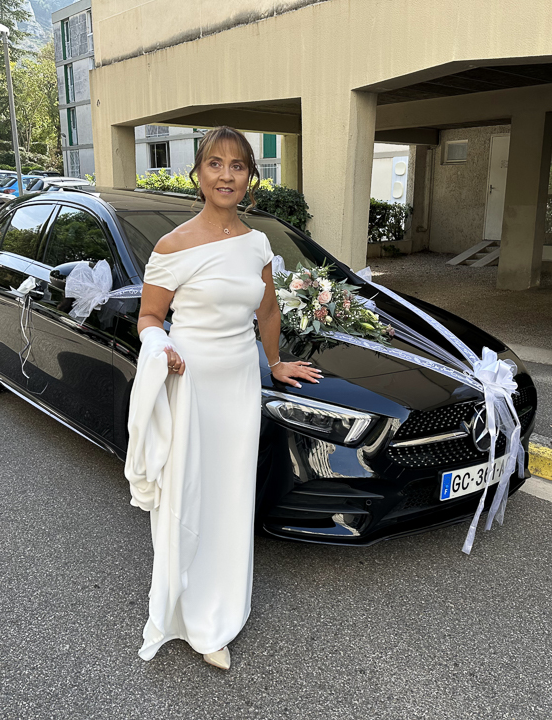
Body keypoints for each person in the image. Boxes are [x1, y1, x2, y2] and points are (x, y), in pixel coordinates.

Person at [131, 127, 322, 670]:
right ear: (198, 174)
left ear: (250, 178)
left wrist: (275, 361)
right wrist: (160, 346)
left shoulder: (258, 243)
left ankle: (222, 608)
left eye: (237, 166)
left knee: (231, 495)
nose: (226, 175)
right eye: (215, 163)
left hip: (239, 382)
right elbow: (149, 317)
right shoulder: (172, 246)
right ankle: (190, 613)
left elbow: (267, 310)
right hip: (192, 379)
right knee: (192, 493)